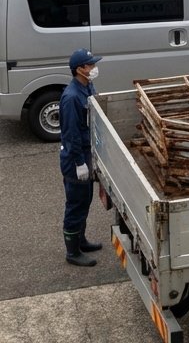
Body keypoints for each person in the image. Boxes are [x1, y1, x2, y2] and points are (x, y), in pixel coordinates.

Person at [60, 48, 104, 267]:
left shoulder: (87, 86)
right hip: (75, 158)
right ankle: (72, 252)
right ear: (80, 69)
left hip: (87, 152)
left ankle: (81, 240)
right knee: (76, 204)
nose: (94, 68)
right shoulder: (71, 97)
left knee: (85, 200)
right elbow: (71, 134)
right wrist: (79, 163)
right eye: (90, 65)